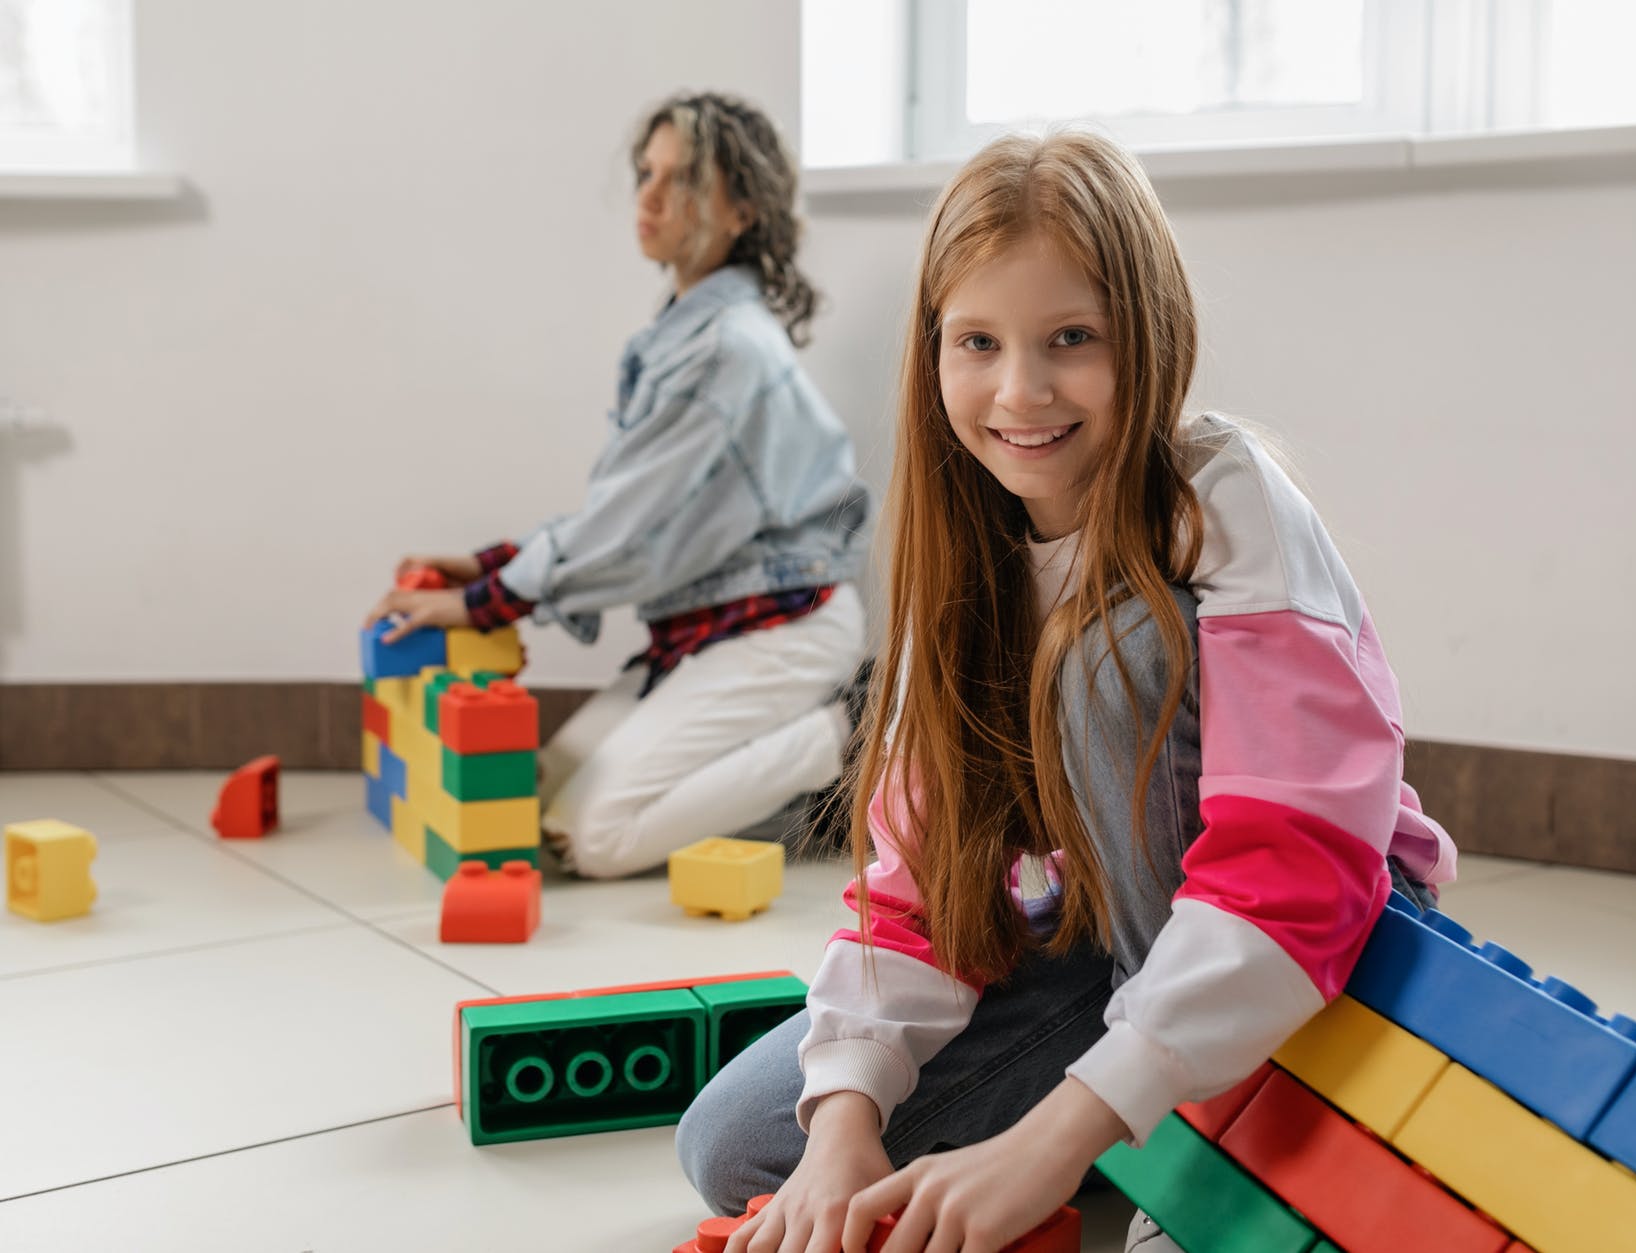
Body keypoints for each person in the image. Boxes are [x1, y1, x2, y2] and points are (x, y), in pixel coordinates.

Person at [675, 129, 1458, 1253]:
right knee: (746, 1147)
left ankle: (1200, 1122)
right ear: (932, 350)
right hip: (1100, 952)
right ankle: (1133, 1094)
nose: (1020, 390)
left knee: (1107, 655)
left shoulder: (1215, 493)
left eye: (1071, 339)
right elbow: (918, 881)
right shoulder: (969, 543)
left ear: (1147, 334)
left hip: (1318, 934)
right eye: (977, 341)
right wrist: (847, 1115)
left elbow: (1296, 855)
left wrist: (1049, 1138)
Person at [364, 92, 870, 878]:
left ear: (742, 211)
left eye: (682, 179)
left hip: (785, 628)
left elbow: (627, 529)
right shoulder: (684, 329)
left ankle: (852, 731)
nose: (650, 195)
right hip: (710, 626)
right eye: (646, 172)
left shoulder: (724, 350)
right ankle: (803, 800)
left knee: (595, 837)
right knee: (539, 798)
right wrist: (498, 561)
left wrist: (484, 599)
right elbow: (637, 508)